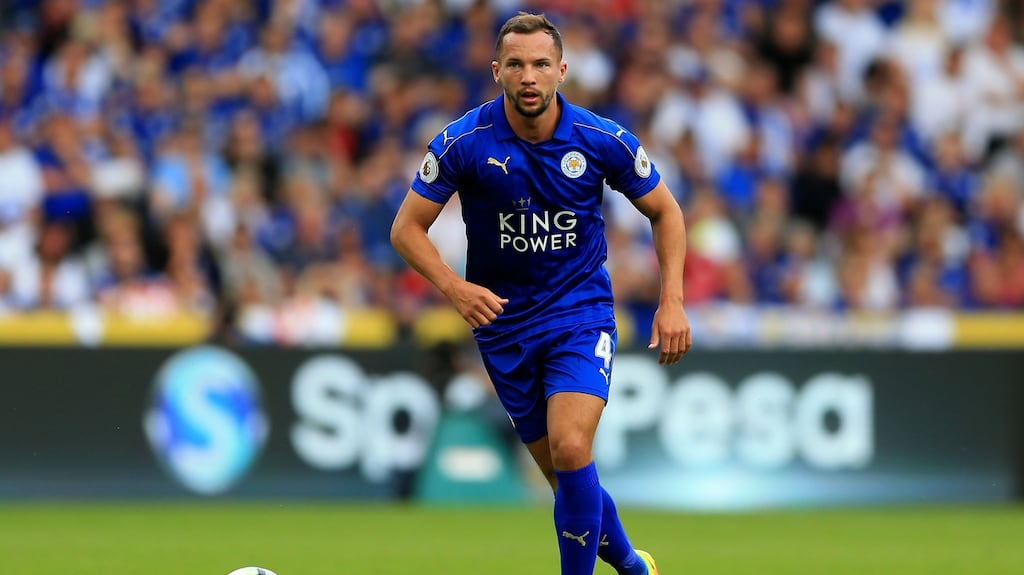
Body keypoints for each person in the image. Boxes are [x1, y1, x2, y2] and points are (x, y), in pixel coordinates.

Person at [390, 12, 690, 575]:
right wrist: (454, 288)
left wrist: (671, 299)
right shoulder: (462, 143)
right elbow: (405, 228)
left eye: (541, 65)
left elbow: (666, 211)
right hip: (503, 325)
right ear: (497, 70)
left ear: (562, 71)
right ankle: (632, 566)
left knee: (573, 448)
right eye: (518, 65)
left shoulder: (600, 140)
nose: (530, 76)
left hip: (579, 314)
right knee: (567, 478)